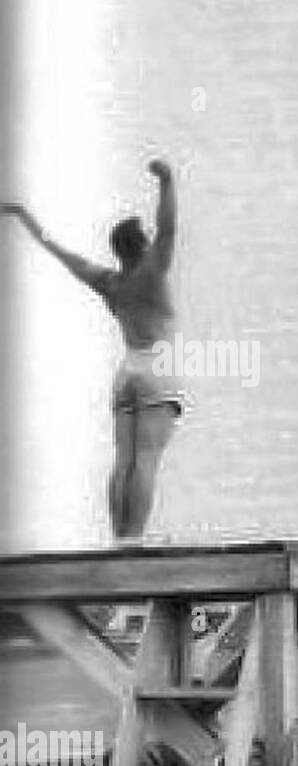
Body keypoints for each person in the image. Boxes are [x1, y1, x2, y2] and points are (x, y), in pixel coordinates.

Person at [5, 160, 184, 542]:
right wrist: (167, 182)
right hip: (158, 367)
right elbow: (169, 228)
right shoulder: (152, 273)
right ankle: (134, 539)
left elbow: (61, 252)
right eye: (149, 240)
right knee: (147, 460)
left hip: (126, 372)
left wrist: (25, 218)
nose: (155, 242)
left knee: (123, 460)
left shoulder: (109, 282)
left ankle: (119, 538)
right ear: (143, 246)